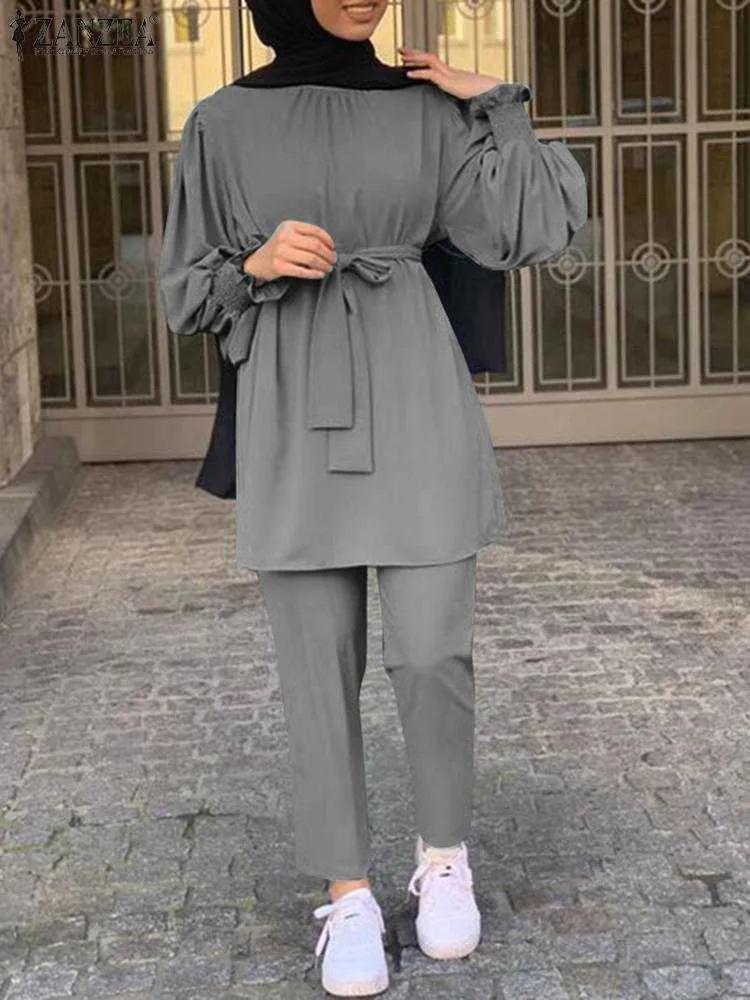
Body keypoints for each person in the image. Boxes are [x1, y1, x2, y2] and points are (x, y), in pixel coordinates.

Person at [157, 1, 588, 995]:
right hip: (291, 397)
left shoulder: (430, 109)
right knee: (317, 664)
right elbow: (185, 288)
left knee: (433, 650)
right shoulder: (222, 121)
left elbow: (526, 229)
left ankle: (444, 858)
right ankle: (346, 890)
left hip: (414, 386)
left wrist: (500, 105)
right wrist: (255, 263)